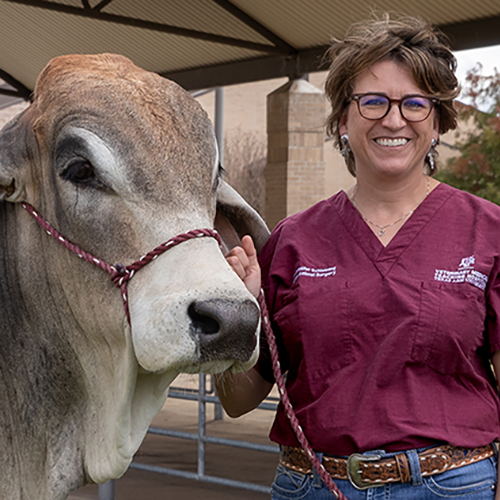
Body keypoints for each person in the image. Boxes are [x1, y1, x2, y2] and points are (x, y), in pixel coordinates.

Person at [216, 14, 500, 500]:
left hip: (451, 487)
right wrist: (236, 318)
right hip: (313, 485)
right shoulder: (291, 241)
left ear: (436, 123)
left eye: (414, 103)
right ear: (343, 120)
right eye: (373, 102)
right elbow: (239, 400)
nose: (393, 119)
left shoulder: (488, 232)